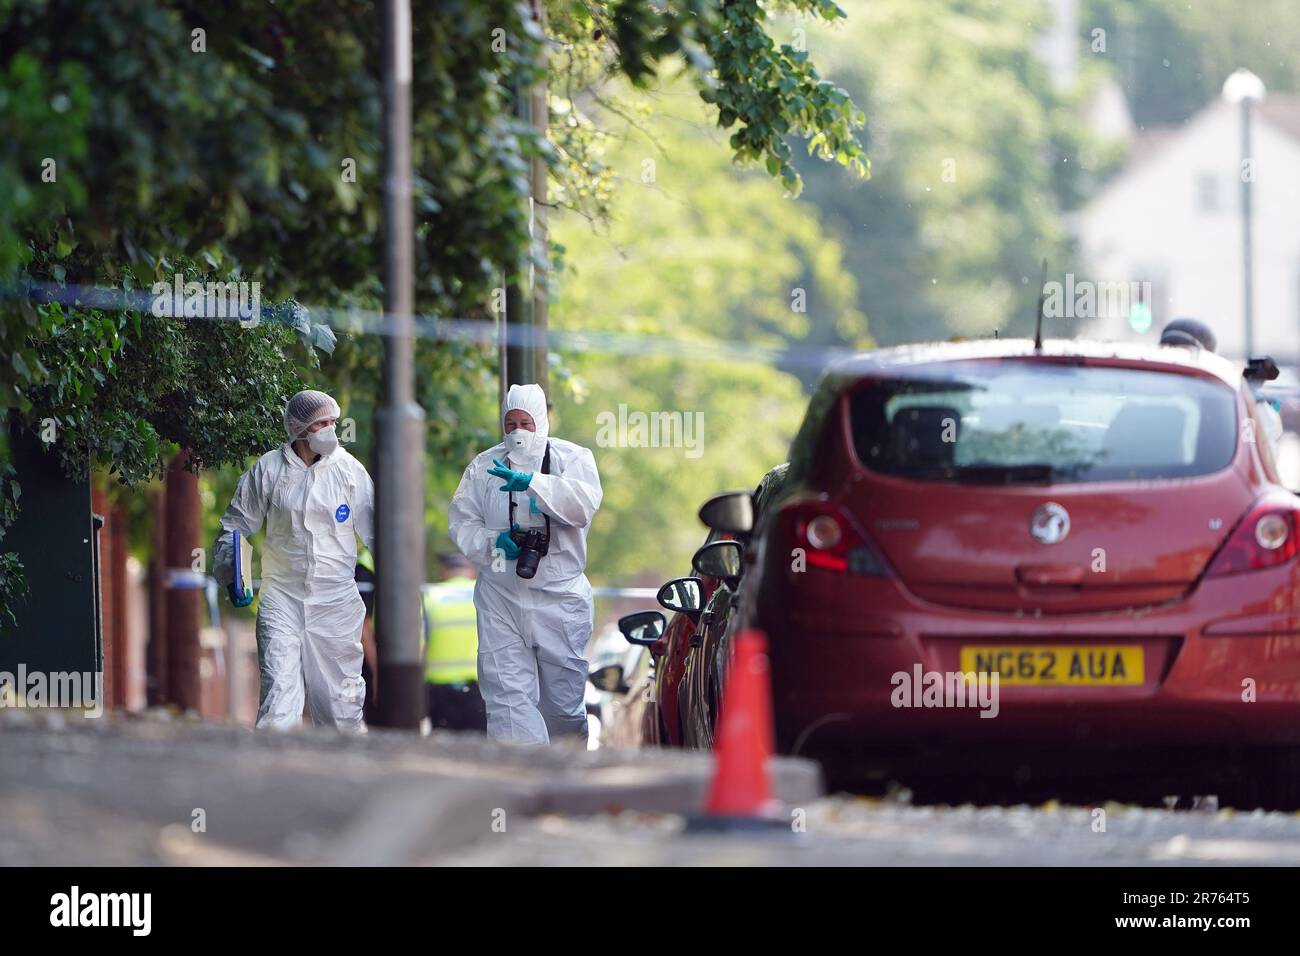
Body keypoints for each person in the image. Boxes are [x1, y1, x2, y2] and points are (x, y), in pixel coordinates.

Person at [448, 383, 602, 745]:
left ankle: (565, 779)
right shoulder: (484, 466)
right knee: (506, 699)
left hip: (560, 599)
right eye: (510, 423)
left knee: (562, 707)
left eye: (526, 423)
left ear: (542, 423)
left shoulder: (572, 459)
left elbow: (582, 507)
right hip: (501, 596)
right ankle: (518, 782)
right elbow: (462, 522)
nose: (517, 431)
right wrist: (493, 544)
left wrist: (533, 483)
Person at [213, 389, 375, 731]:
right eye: (321, 424)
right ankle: (271, 775)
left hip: (335, 601)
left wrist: (393, 586)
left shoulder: (349, 471)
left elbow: (379, 534)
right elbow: (235, 527)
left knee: (340, 703)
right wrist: (233, 572)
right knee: (278, 694)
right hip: (281, 597)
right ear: (300, 429)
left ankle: (349, 776)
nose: (330, 430)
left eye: (333, 422)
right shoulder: (269, 470)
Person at [422, 552, 487, 731]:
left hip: (438, 689)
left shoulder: (430, 596)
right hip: (480, 687)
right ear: (473, 571)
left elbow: (419, 645)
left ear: (443, 572)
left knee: (443, 748)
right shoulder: (486, 595)